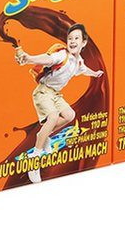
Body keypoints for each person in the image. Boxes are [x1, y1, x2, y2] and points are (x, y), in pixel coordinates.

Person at [15, 23, 104, 183]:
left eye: (76, 38)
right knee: (54, 117)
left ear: (84, 42)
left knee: (70, 115)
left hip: (55, 95)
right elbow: (48, 59)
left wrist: (95, 73)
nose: (72, 41)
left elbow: (84, 70)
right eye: (70, 38)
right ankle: (35, 157)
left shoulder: (78, 61)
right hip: (43, 92)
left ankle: (44, 135)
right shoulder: (62, 55)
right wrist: (29, 58)